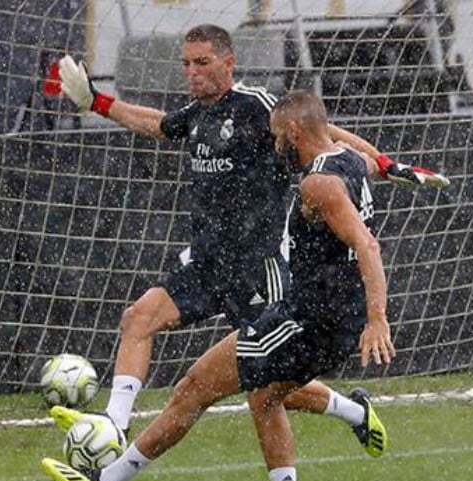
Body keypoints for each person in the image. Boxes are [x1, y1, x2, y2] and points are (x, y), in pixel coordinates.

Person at [49, 24, 442, 442]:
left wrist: (386, 164)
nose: (192, 71)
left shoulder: (255, 105)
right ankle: (114, 427)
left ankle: (352, 412)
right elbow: (158, 124)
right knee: (138, 319)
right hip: (207, 261)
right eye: (186, 63)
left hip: (259, 268)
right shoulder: (197, 115)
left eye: (202, 62)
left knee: (268, 385)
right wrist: (97, 102)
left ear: (229, 63)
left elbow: (323, 132)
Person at [42, 89, 395, 481]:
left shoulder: (317, 184)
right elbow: (367, 162)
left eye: (275, 137)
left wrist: (377, 317)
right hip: (332, 322)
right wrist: (393, 167)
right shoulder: (350, 161)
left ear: (291, 132)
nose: (273, 146)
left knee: (193, 389)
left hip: (304, 320)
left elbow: (366, 245)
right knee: (264, 397)